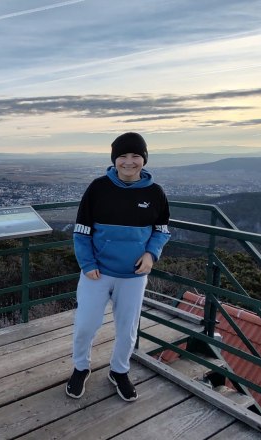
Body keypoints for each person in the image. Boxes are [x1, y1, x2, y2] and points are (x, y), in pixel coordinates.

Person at [65, 132, 171, 402]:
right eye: (123, 156)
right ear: (114, 159)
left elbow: (161, 230)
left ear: (144, 159)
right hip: (96, 272)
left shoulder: (155, 193)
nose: (129, 161)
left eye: (135, 155)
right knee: (86, 325)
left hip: (134, 275)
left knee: (128, 328)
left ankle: (119, 371)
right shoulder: (98, 188)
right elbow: (81, 232)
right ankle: (80, 367)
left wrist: (151, 255)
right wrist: (87, 264)